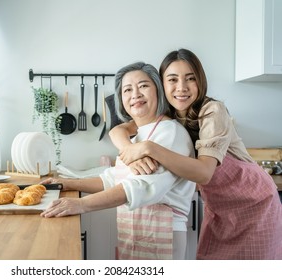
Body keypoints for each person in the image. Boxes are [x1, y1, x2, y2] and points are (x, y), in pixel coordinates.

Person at [109, 49, 282, 260]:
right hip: (220, 206)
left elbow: (204, 173)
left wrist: (148, 148)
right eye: (172, 79)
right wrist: (128, 149)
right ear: (161, 84)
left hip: (256, 203)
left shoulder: (212, 111)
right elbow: (119, 130)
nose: (181, 88)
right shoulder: (169, 115)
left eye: (190, 79)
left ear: (200, 81)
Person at [41, 62, 196, 260]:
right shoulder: (137, 135)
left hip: (163, 235)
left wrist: (81, 204)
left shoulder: (170, 133)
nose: (135, 94)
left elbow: (139, 187)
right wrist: (66, 183)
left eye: (143, 86)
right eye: (127, 90)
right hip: (134, 230)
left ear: (158, 90)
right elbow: (113, 179)